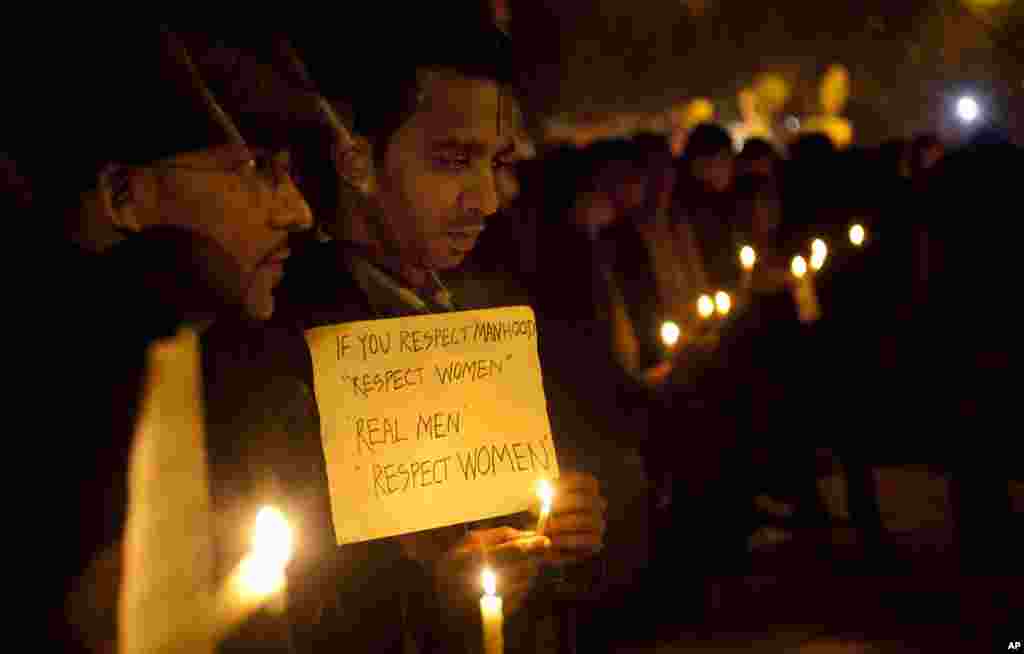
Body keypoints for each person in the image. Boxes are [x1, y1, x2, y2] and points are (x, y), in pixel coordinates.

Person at [201, 10, 607, 653]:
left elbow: (523, 508)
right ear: (356, 158)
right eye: (453, 161)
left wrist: (557, 528)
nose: (487, 199)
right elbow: (284, 600)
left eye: (496, 163)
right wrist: (429, 592)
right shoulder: (281, 339)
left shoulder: (491, 307)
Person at [30, 26, 313, 653]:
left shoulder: (252, 371)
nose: (299, 212)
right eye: (257, 169)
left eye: (291, 174)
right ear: (123, 194)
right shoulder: (50, 409)